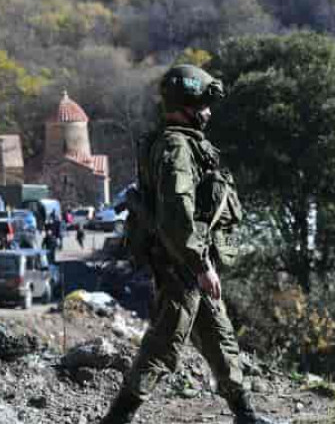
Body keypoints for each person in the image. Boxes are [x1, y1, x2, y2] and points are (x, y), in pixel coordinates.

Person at [99, 65, 273, 424]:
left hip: (188, 261)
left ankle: (246, 415)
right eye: (203, 105)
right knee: (163, 345)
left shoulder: (179, 143)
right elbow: (177, 216)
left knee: (221, 338)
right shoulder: (176, 147)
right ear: (187, 105)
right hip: (180, 264)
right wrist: (201, 266)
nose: (208, 113)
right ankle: (116, 419)